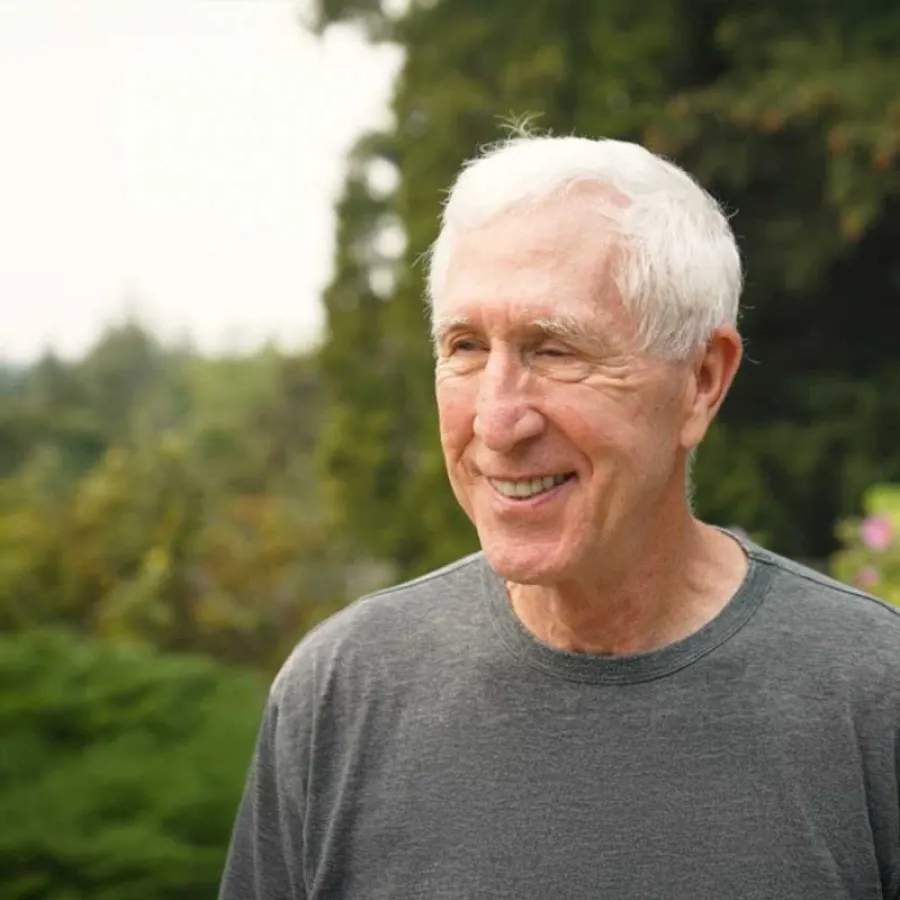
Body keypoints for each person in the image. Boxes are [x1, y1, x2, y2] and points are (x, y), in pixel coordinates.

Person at [219, 134, 900, 899]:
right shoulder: (341, 695)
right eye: (466, 347)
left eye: (554, 349)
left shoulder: (873, 697)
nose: (498, 421)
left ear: (702, 382)